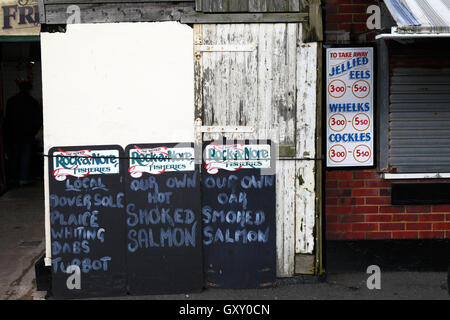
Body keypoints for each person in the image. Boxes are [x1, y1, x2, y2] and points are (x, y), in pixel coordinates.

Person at [4, 79, 42, 187]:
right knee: (25, 157)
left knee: (14, 157)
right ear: (30, 89)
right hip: (28, 134)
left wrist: (7, 134)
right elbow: (37, 119)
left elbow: (7, 120)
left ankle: (12, 178)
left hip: (14, 134)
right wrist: (35, 132)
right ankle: (23, 179)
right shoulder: (33, 102)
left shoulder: (11, 101)